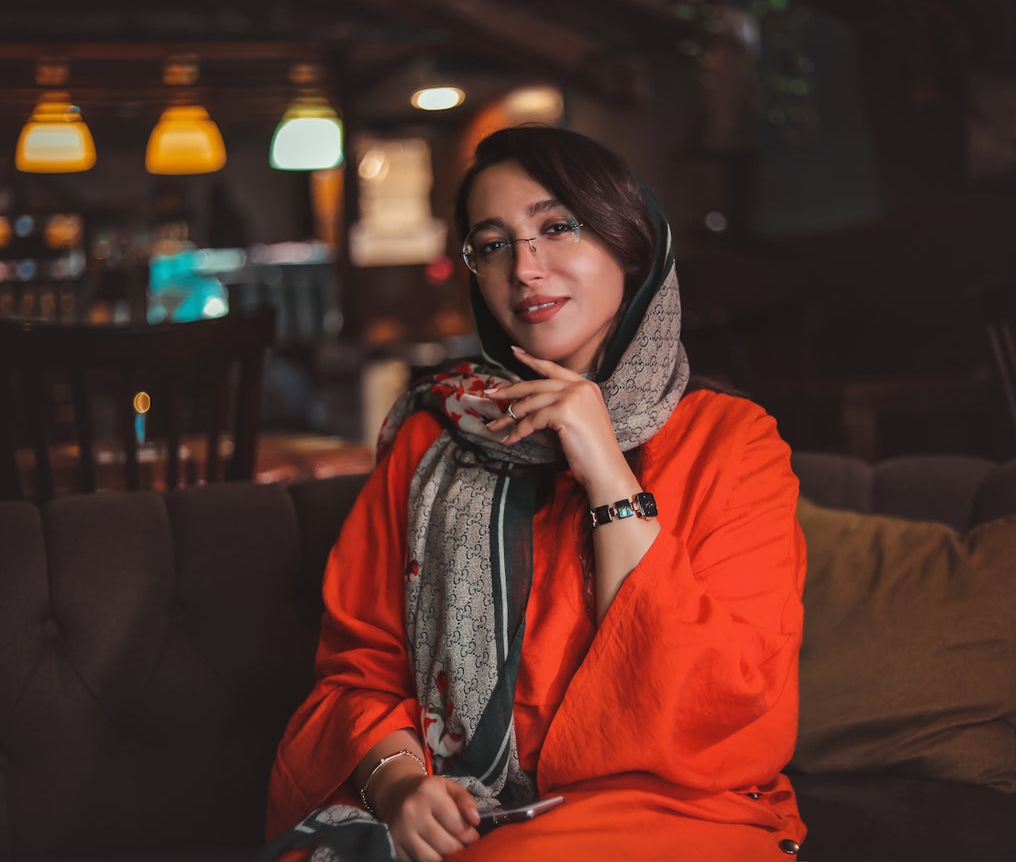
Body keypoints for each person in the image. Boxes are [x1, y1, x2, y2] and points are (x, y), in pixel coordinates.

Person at [262, 126, 807, 861]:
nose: (524, 267)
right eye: (491, 244)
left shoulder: (733, 443)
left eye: (555, 227)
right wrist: (399, 788)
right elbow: (361, 666)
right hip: (460, 806)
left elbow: (722, 693)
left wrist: (607, 472)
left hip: (674, 807)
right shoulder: (435, 438)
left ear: (630, 242)